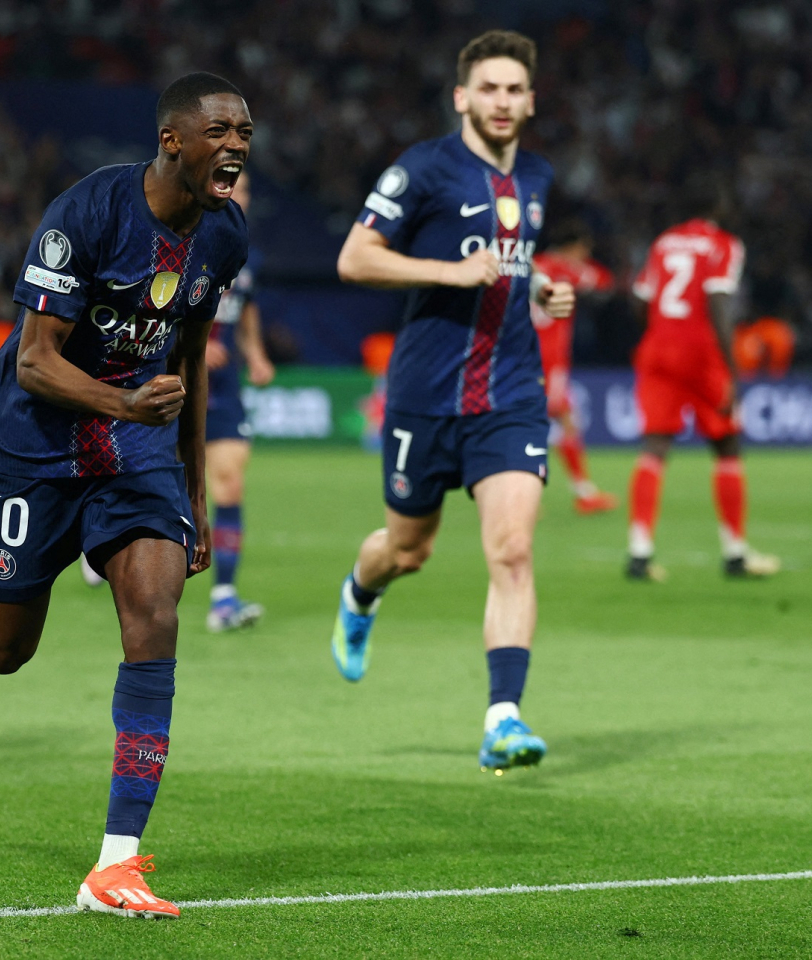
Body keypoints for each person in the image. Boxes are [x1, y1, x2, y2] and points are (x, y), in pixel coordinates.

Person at [0, 72, 251, 919]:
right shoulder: (89, 212)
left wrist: (196, 497)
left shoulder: (224, 237)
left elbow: (189, 362)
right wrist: (123, 402)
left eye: (245, 130)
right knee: (1, 646)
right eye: (220, 130)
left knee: (156, 614)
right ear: (173, 139)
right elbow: (35, 360)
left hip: (137, 453)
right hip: (36, 442)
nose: (238, 144)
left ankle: (116, 863)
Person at [331, 30, 574, 773]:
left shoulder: (537, 177)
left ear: (531, 101)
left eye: (515, 90)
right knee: (408, 550)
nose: (502, 102)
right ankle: (359, 593)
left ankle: (504, 716)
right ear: (463, 97)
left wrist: (539, 288)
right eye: (489, 89)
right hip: (426, 396)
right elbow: (354, 257)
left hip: (511, 396)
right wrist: (447, 270)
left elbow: (510, 266)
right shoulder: (424, 168)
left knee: (513, 549)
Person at [626, 176, 779, 581]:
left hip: (658, 347)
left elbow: (640, 298)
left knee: (655, 446)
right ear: (720, 207)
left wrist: (659, 332)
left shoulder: (663, 242)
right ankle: (735, 554)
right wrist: (730, 369)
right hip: (700, 350)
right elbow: (718, 302)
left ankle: (639, 553)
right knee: (727, 446)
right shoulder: (726, 244)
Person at [203, 170, 274, 631]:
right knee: (147, 487)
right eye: (232, 187)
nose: (239, 196)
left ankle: (224, 598)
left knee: (229, 483)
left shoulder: (246, 254)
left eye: (246, 189)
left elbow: (245, 307)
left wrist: (255, 353)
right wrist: (190, 345)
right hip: (169, 381)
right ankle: (97, 548)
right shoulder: (179, 240)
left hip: (223, 386)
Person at [529, 220, 618, 513]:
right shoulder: (564, 267)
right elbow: (604, 280)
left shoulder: (533, 264)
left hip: (522, 354)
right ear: (576, 247)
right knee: (543, 424)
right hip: (548, 360)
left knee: (558, 420)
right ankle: (530, 496)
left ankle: (582, 491)